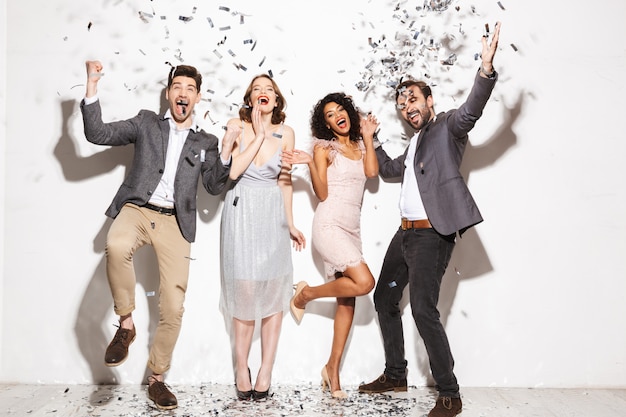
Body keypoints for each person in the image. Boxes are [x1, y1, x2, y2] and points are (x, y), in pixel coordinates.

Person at [357, 22, 502, 417]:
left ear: (430, 100)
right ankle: (396, 373)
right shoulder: (414, 144)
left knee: (422, 308)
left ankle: (450, 393)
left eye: (413, 99)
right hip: (403, 237)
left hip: (431, 237)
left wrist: (485, 70)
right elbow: (387, 170)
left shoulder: (447, 128)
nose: (407, 107)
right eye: (402, 104)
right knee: (385, 297)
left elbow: (472, 109)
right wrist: (371, 137)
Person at [80, 61, 235, 410]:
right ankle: (126, 323)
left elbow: (213, 184)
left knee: (174, 306)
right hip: (138, 208)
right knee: (116, 244)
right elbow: (98, 134)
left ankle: (157, 378)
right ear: (168, 93)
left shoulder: (205, 141)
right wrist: (92, 86)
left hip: (175, 222)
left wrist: (225, 148)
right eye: (177, 87)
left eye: (190, 89)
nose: (183, 93)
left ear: (196, 98)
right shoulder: (147, 123)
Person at [281, 93, 379, 399]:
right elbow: (322, 193)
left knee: (348, 300)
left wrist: (367, 136)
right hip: (328, 225)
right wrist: (311, 162)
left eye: (340, 110)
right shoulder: (324, 148)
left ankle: (332, 370)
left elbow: (372, 173)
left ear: (348, 113)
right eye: (329, 115)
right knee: (365, 283)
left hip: (352, 229)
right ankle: (306, 294)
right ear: (324, 124)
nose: (337, 115)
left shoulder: (361, 145)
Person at [219, 74, 306, 401]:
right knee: (243, 292)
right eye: (257, 89)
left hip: (272, 215)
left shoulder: (287, 133)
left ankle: (266, 369)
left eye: (269, 89)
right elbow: (233, 171)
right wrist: (256, 131)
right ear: (249, 98)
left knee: (272, 293)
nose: (263, 93)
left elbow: (285, 181)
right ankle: (242, 367)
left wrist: (292, 223)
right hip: (241, 211)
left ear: (277, 99)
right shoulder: (236, 125)